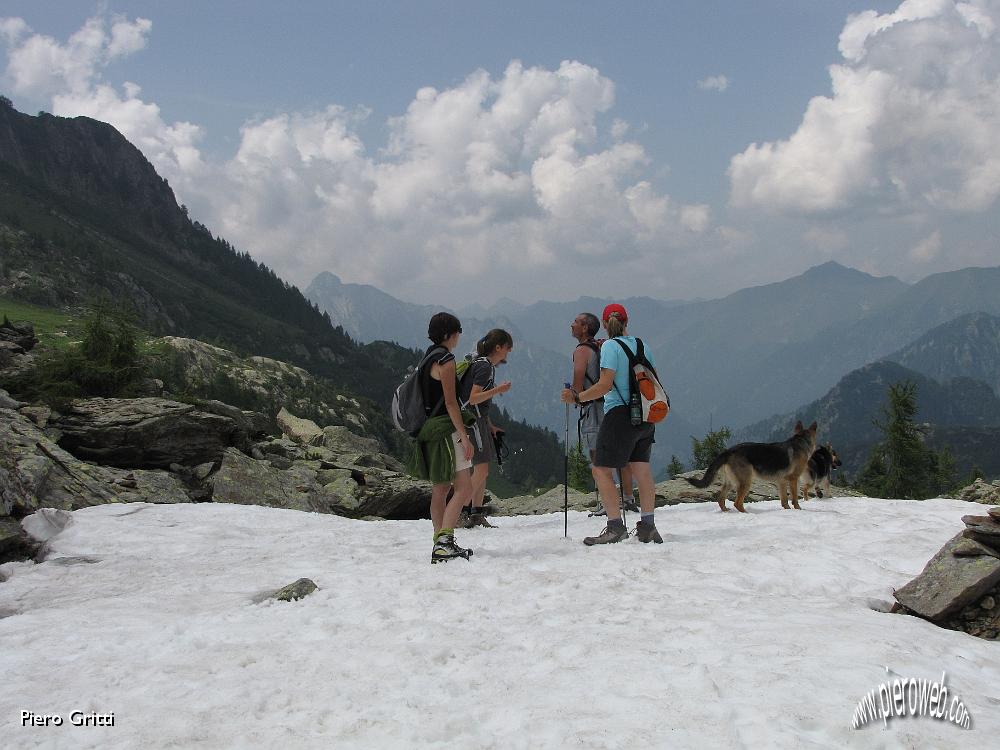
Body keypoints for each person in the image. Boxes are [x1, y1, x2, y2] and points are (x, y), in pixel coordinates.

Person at [561, 304, 663, 545]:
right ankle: (648, 526)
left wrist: (577, 397)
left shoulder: (609, 347)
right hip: (646, 414)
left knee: (600, 470)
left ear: (605, 325)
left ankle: (615, 526)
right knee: (641, 469)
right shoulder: (642, 345)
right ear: (627, 321)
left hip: (619, 414)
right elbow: (654, 378)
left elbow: (605, 385)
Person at [405, 312, 477, 563]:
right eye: (457, 332)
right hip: (446, 430)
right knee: (465, 487)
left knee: (441, 487)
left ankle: (439, 540)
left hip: (429, 429)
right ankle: (445, 542)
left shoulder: (428, 357)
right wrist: (465, 437)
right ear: (449, 334)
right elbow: (450, 402)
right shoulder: (446, 360)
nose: (458, 337)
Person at [570, 312, 634, 515]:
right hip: (611, 404)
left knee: (598, 455)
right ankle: (628, 498)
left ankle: (608, 502)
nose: (571, 325)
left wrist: (572, 396)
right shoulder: (602, 346)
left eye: (576, 322)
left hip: (594, 408)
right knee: (619, 453)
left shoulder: (582, 350)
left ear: (585, 328)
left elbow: (578, 383)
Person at [460, 329, 513, 528]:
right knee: (481, 469)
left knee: (482, 469)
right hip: (473, 422)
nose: (507, 354)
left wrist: (489, 425)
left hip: (477, 421)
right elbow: (474, 398)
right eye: (507, 349)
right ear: (498, 347)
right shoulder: (485, 367)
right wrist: (499, 390)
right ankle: (459, 511)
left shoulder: (479, 363)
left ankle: (476, 512)